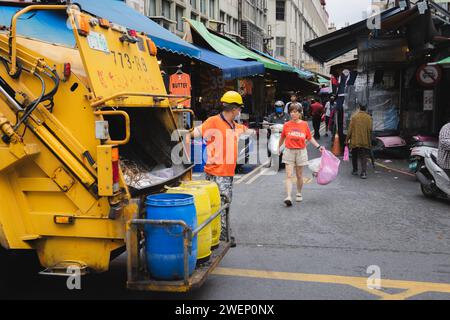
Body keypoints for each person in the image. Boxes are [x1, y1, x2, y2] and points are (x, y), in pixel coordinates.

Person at [192, 91, 255, 246]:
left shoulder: (234, 125)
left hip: (224, 172)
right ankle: (223, 235)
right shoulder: (213, 121)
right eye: (239, 109)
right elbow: (196, 132)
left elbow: (248, 131)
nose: (240, 111)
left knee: (218, 203)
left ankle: (215, 233)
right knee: (222, 204)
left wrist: (260, 130)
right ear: (233, 109)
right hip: (218, 172)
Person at [278, 103, 325, 207]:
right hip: (289, 151)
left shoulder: (304, 124)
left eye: (295, 112)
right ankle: (289, 196)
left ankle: (299, 192)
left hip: (301, 151)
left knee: (299, 175)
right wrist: (278, 148)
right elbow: (282, 137)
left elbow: (309, 138)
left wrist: (318, 146)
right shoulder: (287, 125)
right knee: (289, 175)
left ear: (300, 113)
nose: (293, 114)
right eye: (291, 112)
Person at [345, 104, 373, 179]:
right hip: (365, 140)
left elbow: (350, 130)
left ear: (359, 108)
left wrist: (347, 139)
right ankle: (363, 173)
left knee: (354, 155)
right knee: (363, 156)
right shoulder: (369, 118)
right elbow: (370, 129)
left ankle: (355, 170)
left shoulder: (354, 117)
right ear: (366, 109)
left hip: (355, 140)